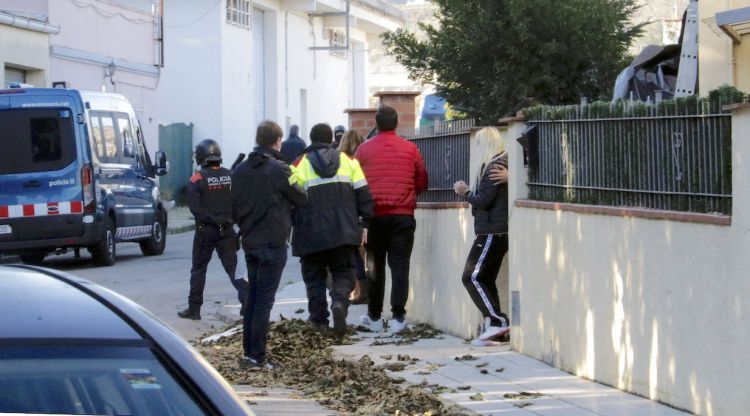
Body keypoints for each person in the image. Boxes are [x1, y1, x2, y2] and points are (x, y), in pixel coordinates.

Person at [232, 121, 307, 369]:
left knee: (252, 299)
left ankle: (248, 353)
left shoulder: (241, 170)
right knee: (264, 300)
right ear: (277, 141)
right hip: (273, 243)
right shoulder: (279, 169)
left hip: (250, 241)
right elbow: (301, 196)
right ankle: (257, 356)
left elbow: (232, 207)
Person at [291, 124, 373, 336]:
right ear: (331, 139)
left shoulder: (299, 164)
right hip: (343, 231)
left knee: (314, 277)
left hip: (311, 234)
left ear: (311, 139)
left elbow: (290, 198)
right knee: (344, 271)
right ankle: (339, 303)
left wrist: (293, 226)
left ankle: (319, 322)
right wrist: (364, 223)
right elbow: (364, 194)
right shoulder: (348, 161)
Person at [355, 105, 428, 332]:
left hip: (374, 217)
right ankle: (398, 318)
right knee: (400, 267)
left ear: (376, 125)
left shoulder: (363, 150)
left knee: (374, 267)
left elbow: (356, 183)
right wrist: (406, 195)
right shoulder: (410, 149)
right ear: (397, 124)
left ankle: (375, 317)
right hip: (402, 217)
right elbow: (422, 181)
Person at [178, 139, 249, 321]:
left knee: (199, 270)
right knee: (234, 269)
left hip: (205, 232)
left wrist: (213, 219)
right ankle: (247, 302)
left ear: (201, 157)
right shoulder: (231, 175)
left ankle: (194, 309)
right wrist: (228, 221)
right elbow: (240, 203)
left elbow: (196, 209)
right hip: (227, 229)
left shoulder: (197, 178)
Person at [452, 127, 510, 343]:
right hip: (495, 230)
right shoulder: (500, 165)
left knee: (471, 276)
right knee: (486, 277)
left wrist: (464, 191)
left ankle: (497, 320)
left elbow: (483, 201)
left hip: (492, 232)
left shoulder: (494, 167)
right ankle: (495, 329)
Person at [339, 129, 369, 304]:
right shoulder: (364, 159)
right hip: (363, 213)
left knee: (352, 255)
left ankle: (357, 291)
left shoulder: (340, 162)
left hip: (346, 214)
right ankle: (365, 290)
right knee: (365, 255)